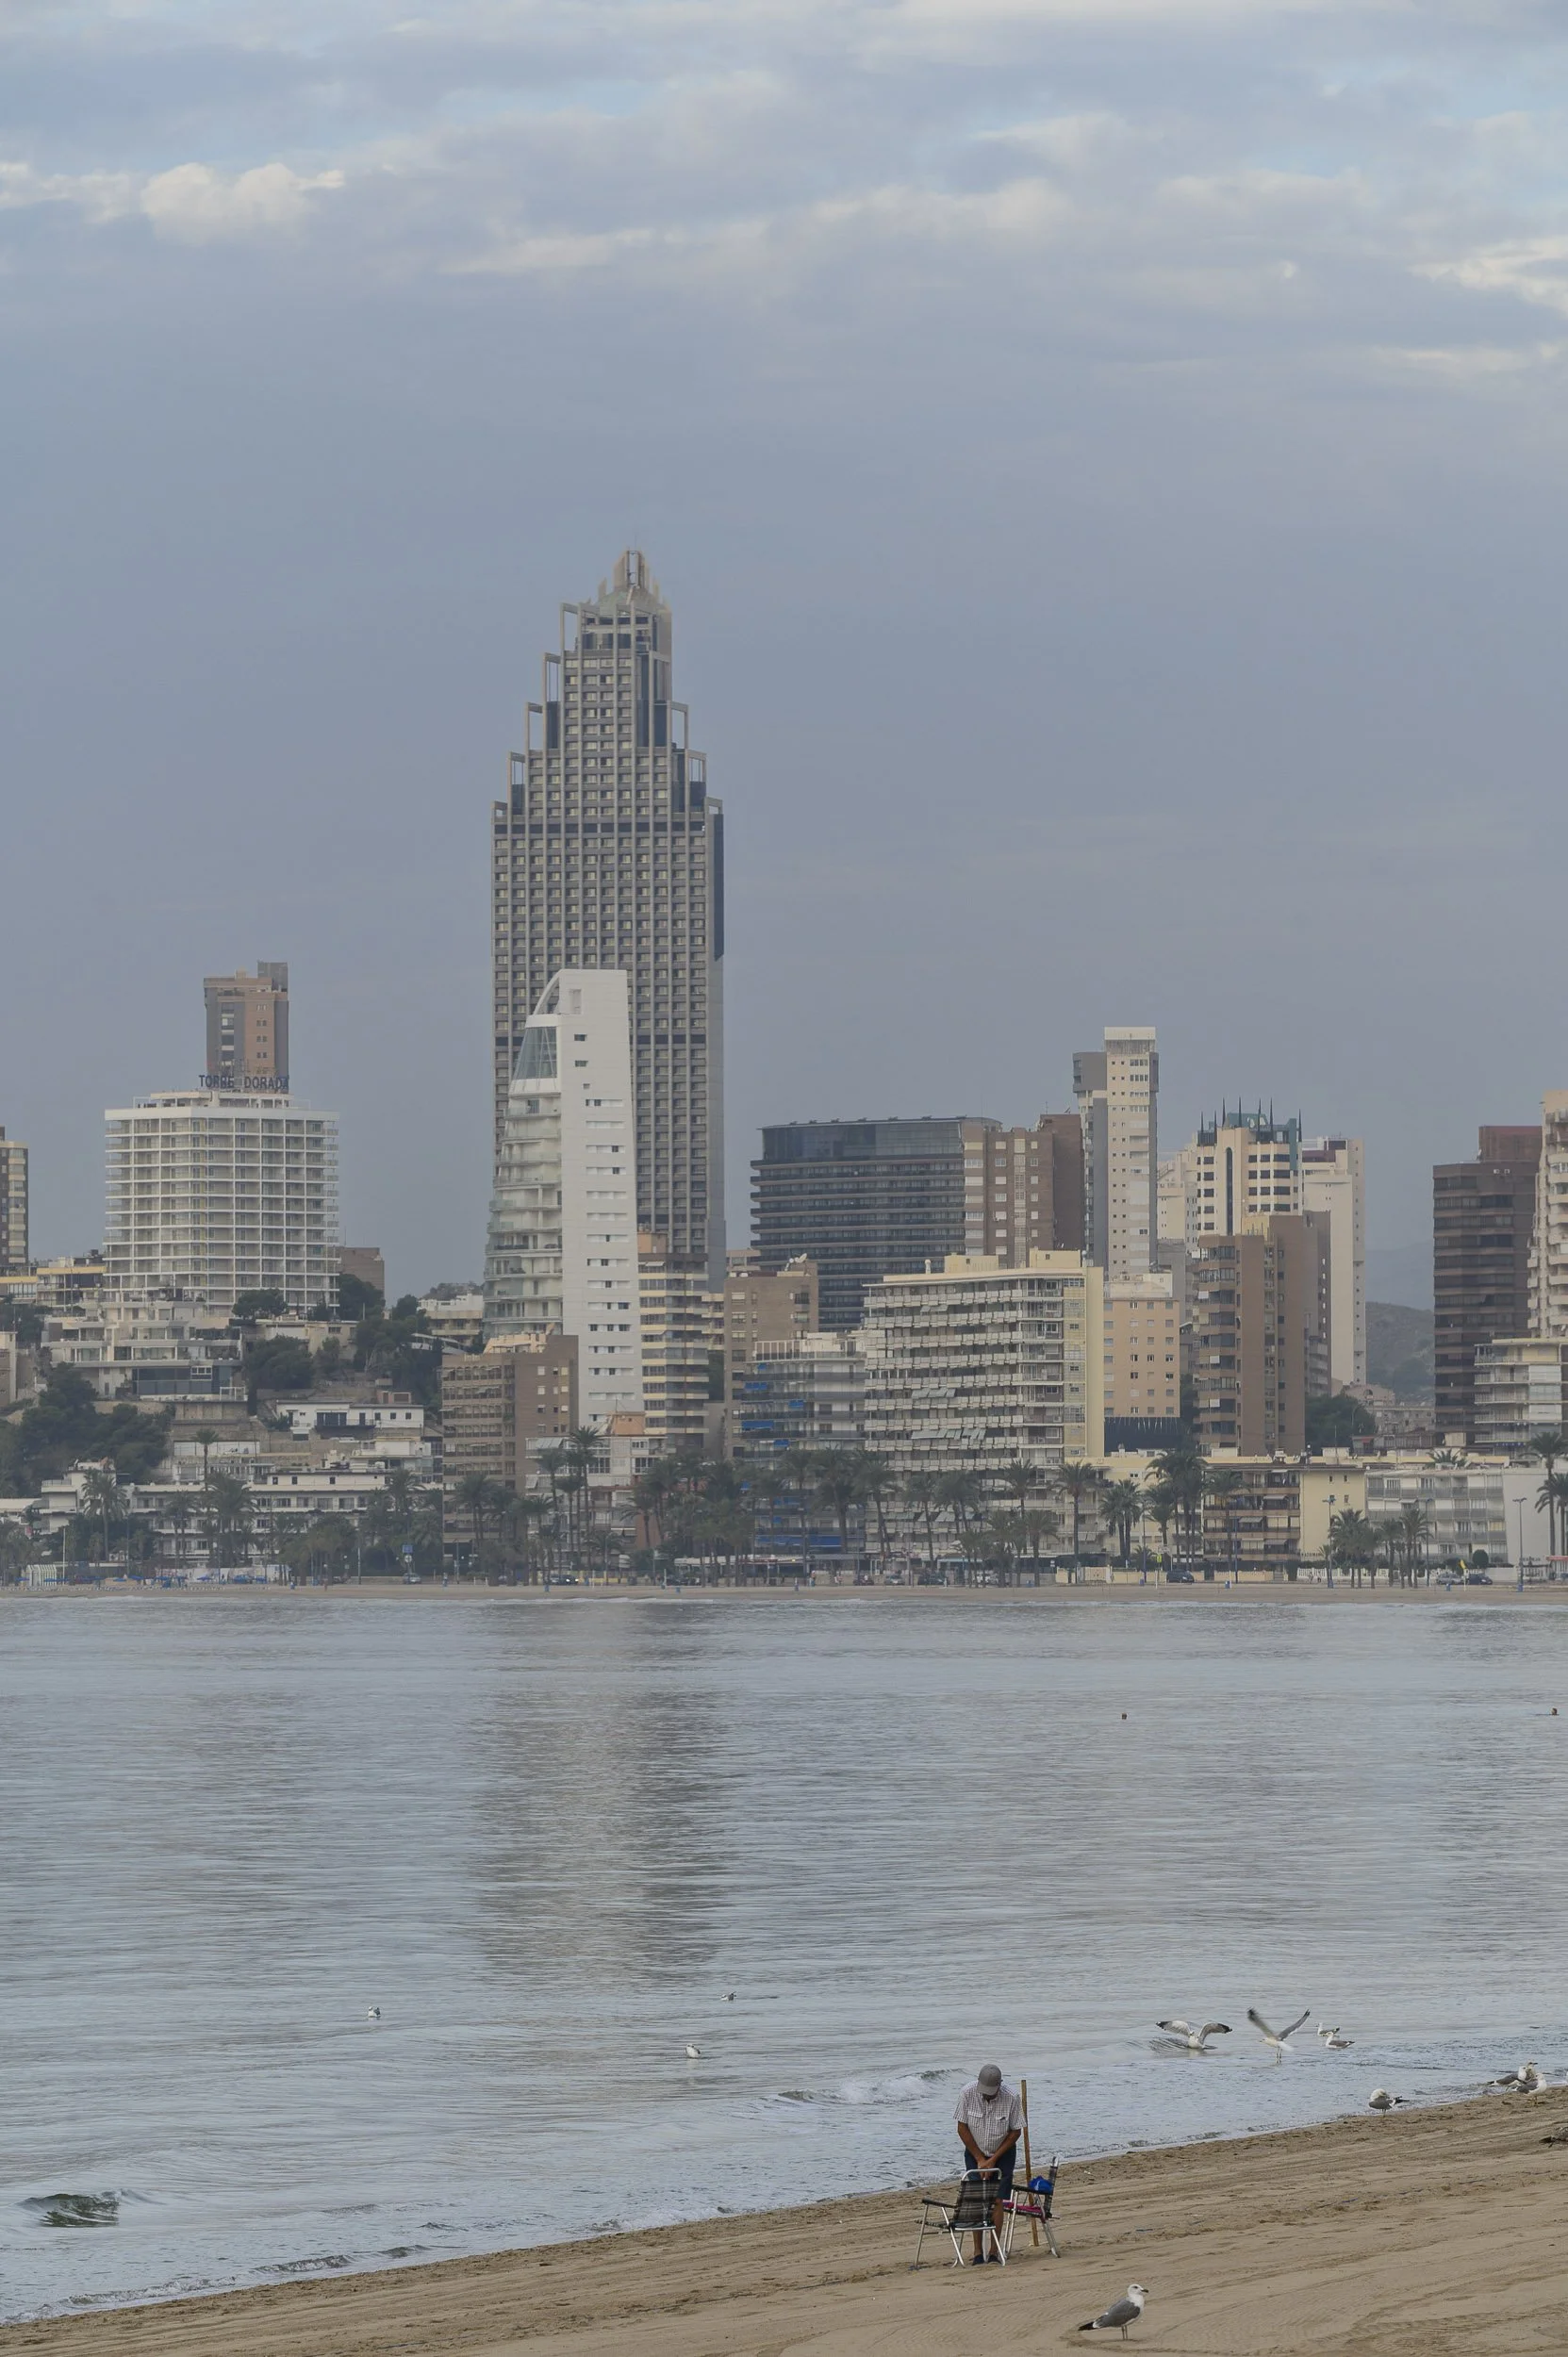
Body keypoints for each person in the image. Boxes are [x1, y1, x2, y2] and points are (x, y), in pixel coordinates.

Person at [955, 2062, 1023, 2262]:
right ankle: (977, 2251)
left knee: (997, 2199)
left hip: (1003, 2152)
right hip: (975, 2151)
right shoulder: (967, 2093)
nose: (987, 2095)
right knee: (977, 2198)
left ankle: (994, 2251)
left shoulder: (1011, 2097)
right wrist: (979, 2159)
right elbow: (962, 2127)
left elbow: (1016, 2131)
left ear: (999, 2086)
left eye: (991, 2093)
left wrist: (992, 2160)